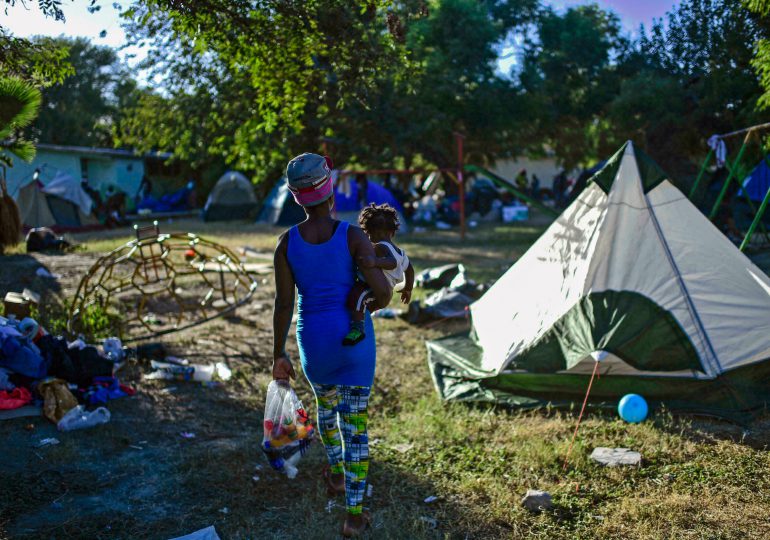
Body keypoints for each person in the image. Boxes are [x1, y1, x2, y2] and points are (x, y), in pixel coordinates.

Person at [272, 152, 391, 537]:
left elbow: (284, 304)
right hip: (353, 343)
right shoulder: (352, 236)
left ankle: (336, 474)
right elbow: (382, 293)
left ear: (296, 198)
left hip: (314, 344)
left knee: (326, 407)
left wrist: (279, 353)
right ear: (330, 192)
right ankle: (353, 515)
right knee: (355, 426)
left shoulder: (285, 244)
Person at [342, 203, 414, 346]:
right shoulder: (401, 253)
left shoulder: (380, 247)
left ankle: (357, 329)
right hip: (385, 293)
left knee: (357, 297)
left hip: (374, 290)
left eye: (368, 234)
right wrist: (408, 288)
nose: (367, 238)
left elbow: (391, 262)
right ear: (392, 232)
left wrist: (374, 261)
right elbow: (410, 270)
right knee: (363, 307)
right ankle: (361, 319)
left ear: (374, 233)